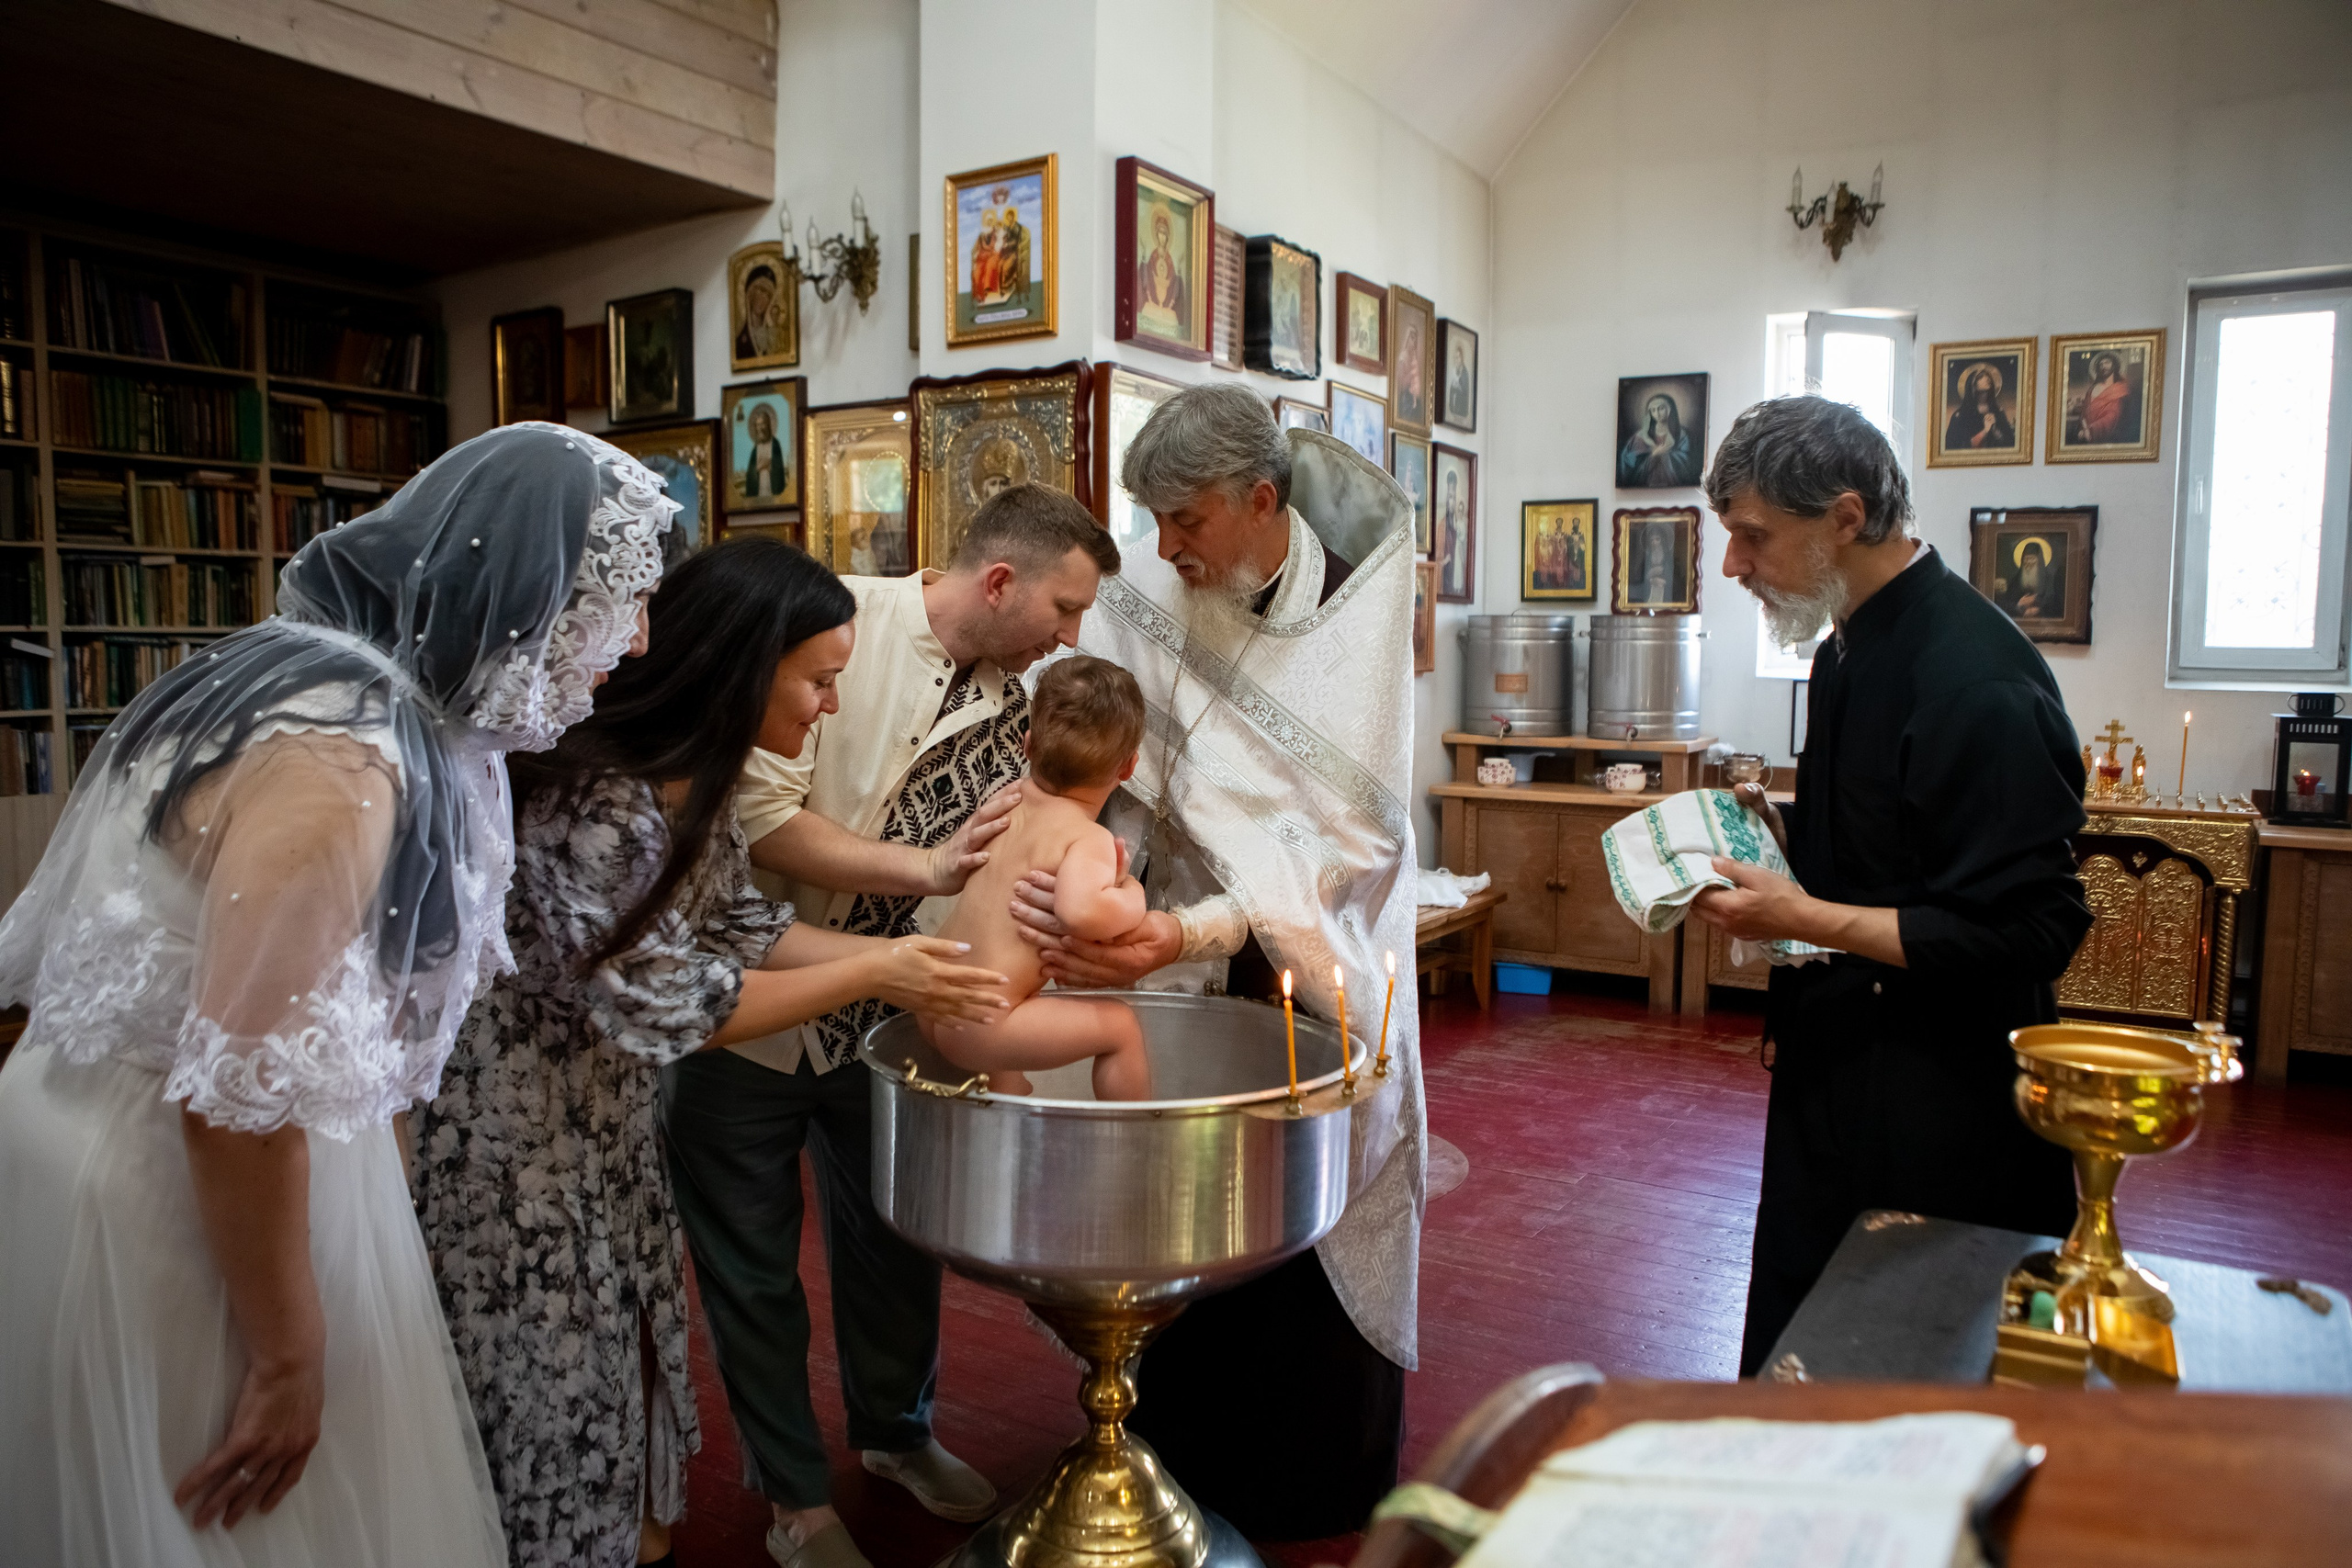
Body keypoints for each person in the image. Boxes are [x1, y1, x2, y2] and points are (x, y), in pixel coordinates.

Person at [0, 423, 672, 1563]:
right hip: (178, 1199)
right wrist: (288, 1351)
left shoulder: (329, 691)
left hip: (200, 1152)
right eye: (615, 597)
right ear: (519, 588)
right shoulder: (343, 757)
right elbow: (235, 1090)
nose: (636, 638)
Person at [413, 538, 1011, 1568]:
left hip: (603, 1112)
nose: (831, 703)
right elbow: (676, 1001)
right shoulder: (602, 797)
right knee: (547, 1381)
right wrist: (882, 973)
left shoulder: (697, 774)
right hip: (518, 1127)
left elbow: (737, 924)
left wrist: (898, 954)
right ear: (742, 665)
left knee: (623, 1354)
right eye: (821, 679)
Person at [669, 482, 1119, 1568]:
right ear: (999, 580)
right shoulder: (837, 632)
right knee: (753, 1269)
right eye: (1064, 608)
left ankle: (895, 1434)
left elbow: (1026, 841)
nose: (1071, 636)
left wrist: (1053, 917)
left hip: (899, 1007)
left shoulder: (1028, 701)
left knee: (896, 1239)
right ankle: (795, 1502)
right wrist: (923, 870)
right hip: (759, 998)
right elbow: (765, 823)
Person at [1003, 382, 1424, 1540]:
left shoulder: (1361, 599)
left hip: (1314, 936)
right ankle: (1167, 1452)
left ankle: (1308, 1477)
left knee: (1315, 1203)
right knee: (1179, 1195)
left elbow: (1357, 831)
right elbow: (1116, 764)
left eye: (1184, 519)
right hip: (1165, 936)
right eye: (1151, 518)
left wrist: (1197, 926)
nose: (1163, 546)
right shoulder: (1156, 579)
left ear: (1259, 499)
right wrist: (1101, 878)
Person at [1689, 395, 2090, 1376]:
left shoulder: (1976, 682)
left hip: (1942, 1110)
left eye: (1751, 536)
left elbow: (2031, 935)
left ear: (1845, 516)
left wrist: (1801, 912)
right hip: (1835, 1076)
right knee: (1800, 1355)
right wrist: (1781, 846)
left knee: (1912, 1380)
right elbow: (1877, 862)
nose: (1732, 565)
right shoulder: (1843, 648)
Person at [923, 655, 1150, 1099]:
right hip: (986, 1019)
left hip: (935, 995)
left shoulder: (1005, 801)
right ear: (1128, 768)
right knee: (1122, 1026)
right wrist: (1131, 892)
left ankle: (1013, 1098)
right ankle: (1141, 1149)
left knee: (1010, 1079)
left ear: (1027, 745)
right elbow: (1080, 912)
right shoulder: (1087, 837)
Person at [1619, 389, 1702, 486]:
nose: (1657, 414)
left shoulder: (1682, 434)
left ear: (1669, 409)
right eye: (1653, 410)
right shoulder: (1640, 436)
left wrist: (1666, 455)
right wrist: (1654, 455)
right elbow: (1628, 461)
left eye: (1661, 408)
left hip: (1673, 486)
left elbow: (1689, 461)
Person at [2067, 349, 2135, 445]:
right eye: (2101, 364)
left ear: (2114, 365)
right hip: (2087, 437)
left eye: (2107, 362)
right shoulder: (2091, 390)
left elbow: (2113, 416)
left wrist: (2090, 430)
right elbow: (2084, 414)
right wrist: (2083, 428)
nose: (2103, 366)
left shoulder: (2120, 389)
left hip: (2111, 438)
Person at [1944, 362, 2014, 453]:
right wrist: (1985, 431)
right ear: (1973, 389)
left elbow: (2010, 444)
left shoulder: (1998, 412)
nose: (1984, 395)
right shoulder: (1960, 416)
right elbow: (1953, 447)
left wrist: (1995, 431)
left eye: (1987, 391)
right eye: (1980, 377)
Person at [737, 262, 785, 362]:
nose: (763, 298)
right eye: (761, 290)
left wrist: (770, 322)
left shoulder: (771, 333)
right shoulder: (740, 338)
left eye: (768, 295)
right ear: (750, 293)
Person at [743, 402, 790, 501]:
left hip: (771, 486)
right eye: (757, 425)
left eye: (762, 424)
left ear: (768, 425)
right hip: (759, 488)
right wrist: (759, 467)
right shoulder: (755, 449)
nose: (760, 428)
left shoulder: (775, 445)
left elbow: (779, 470)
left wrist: (770, 465)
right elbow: (751, 475)